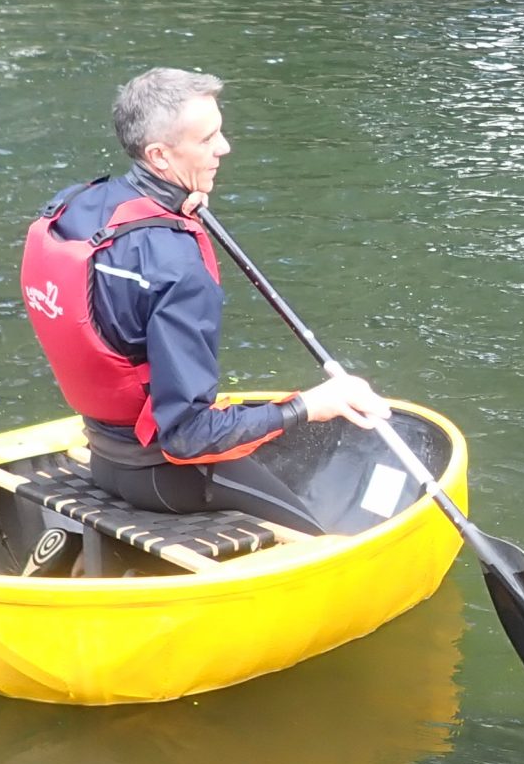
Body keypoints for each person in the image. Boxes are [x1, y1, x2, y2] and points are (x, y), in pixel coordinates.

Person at [20, 66, 394, 534]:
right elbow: (187, 436)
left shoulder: (72, 205)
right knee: (317, 535)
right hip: (162, 475)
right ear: (159, 154)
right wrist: (310, 405)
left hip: (102, 452)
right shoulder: (178, 267)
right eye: (207, 139)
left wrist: (179, 208)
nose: (224, 147)